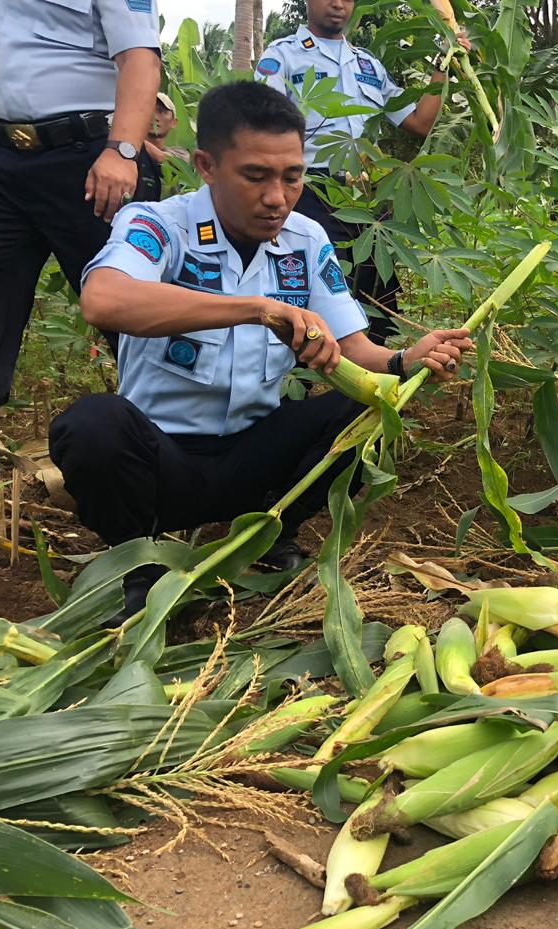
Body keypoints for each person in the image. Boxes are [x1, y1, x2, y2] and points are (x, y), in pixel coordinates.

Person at [48, 82, 472, 619]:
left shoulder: (306, 239)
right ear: (206, 165)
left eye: (291, 176)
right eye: (256, 176)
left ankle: (273, 535)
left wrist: (406, 361)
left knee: (365, 410)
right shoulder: (157, 224)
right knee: (92, 426)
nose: (277, 197)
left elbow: (354, 350)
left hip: (253, 460)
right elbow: (104, 299)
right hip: (158, 467)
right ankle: (138, 563)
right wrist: (254, 308)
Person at [0, 0, 161, 478]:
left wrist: (123, 150)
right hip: (1, 156)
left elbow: (141, 57)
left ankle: (170, 429)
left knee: (126, 296)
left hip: (89, 157)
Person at [254, 0, 469, 342]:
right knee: (308, 296)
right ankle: (298, 389)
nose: (338, 3)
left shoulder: (368, 64)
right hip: (310, 191)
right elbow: (262, 127)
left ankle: (371, 385)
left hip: (369, 193)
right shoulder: (282, 55)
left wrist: (445, 61)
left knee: (375, 296)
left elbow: (419, 121)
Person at [136, 92, 191, 199]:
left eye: (161, 111)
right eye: (148, 110)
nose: (154, 117)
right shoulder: (129, 150)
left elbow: (162, 158)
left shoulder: (181, 154)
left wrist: (130, 137)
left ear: (174, 123)